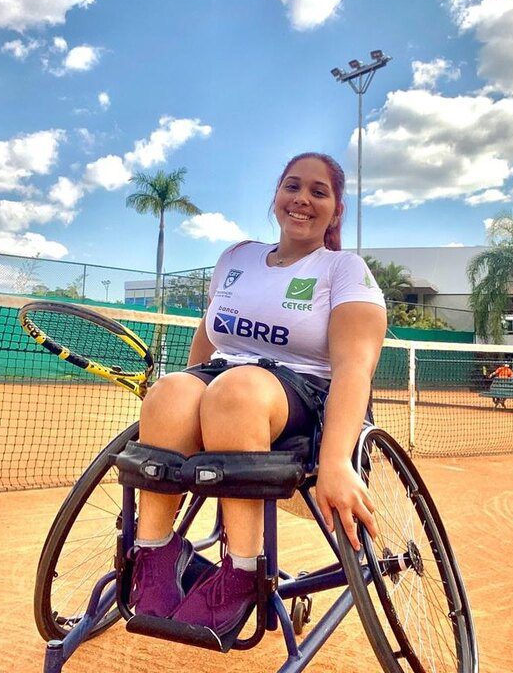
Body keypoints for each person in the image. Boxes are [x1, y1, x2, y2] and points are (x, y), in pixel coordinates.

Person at [130, 151, 387, 636]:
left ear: (336, 209)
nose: (303, 199)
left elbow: (356, 368)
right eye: (293, 186)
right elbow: (209, 335)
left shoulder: (344, 270)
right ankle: (154, 557)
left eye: (319, 191)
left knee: (237, 390)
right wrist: (187, 413)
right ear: (276, 195)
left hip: (302, 394)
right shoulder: (236, 258)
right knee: (167, 394)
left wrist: (335, 461)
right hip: (223, 376)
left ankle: (243, 571)